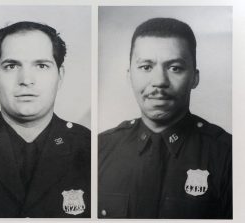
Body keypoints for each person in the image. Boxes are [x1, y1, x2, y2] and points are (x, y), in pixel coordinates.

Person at [98, 18, 232, 219]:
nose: (159, 81)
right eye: (146, 67)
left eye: (175, 68)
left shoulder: (229, 156)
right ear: (129, 76)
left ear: (194, 78)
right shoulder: (100, 149)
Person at [0, 21, 90, 218]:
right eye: (11, 66)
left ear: (60, 76)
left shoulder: (90, 149)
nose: (26, 79)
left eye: (42, 66)